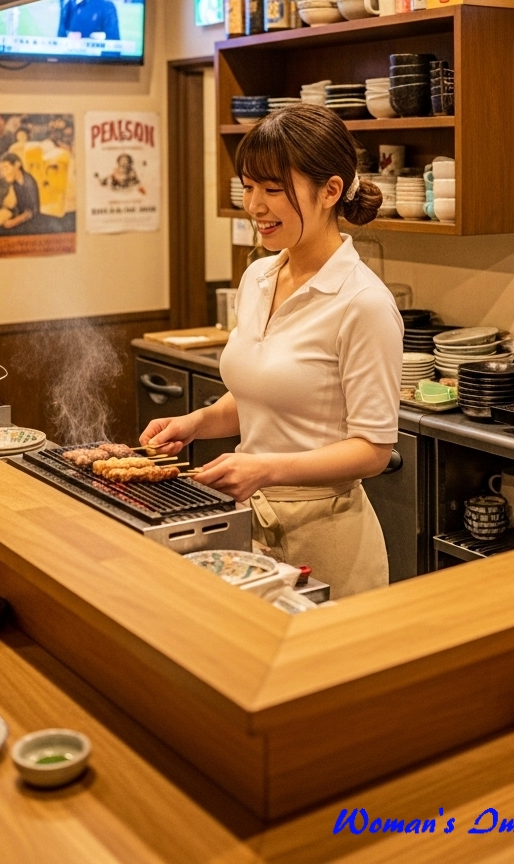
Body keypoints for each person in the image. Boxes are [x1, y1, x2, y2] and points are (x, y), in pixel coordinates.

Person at [140, 106, 403, 598]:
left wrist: (264, 468)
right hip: (251, 527)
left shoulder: (363, 303)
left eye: (273, 190)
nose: (255, 206)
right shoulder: (258, 278)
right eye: (249, 187)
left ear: (329, 191)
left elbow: (373, 449)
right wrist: (195, 423)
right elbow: (261, 396)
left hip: (327, 535)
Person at [0, 152, 40, 231]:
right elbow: (10, 202)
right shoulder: (14, 182)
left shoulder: (28, 183)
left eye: (6, 168)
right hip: (19, 214)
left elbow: (32, 211)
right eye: (1, 170)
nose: (3, 173)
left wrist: (13, 222)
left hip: (32, 222)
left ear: (17, 165)